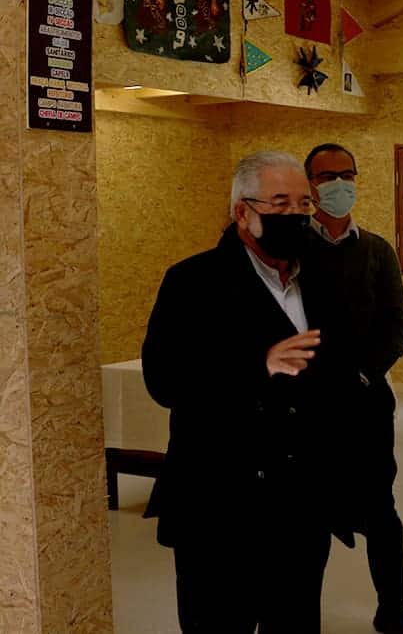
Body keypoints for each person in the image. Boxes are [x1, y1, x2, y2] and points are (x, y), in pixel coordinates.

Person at [142, 151, 361, 632]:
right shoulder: (193, 282)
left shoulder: (323, 276)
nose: (295, 215)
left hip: (300, 510)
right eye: (279, 204)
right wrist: (258, 367)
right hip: (219, 509)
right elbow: (164, 379)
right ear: (243, 212)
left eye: (303, 204)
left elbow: (338, 372)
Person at [304, 143, 403, 634]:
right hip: (306, 410)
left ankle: (392, 611)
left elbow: (397, 328)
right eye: (325, 176)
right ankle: (299, 618)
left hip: (367, 407)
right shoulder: (291, 251)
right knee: (307, 519)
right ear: (309, 185)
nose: (337, 184)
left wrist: (365, 374)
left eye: (345, 175)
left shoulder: (377, 251)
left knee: (380, 513)